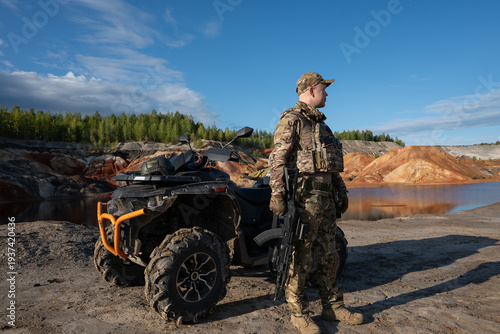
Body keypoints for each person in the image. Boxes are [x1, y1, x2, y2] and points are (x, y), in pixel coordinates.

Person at [268, 72, 363, 333]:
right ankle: (298, 313)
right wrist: (277, 195)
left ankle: (333, 306)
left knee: (329, 255)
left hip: (326, 200)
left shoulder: (323, 126)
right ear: (311, 90)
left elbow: (331, 167)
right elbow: (277, 160)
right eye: (324, 88)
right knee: (300, 258)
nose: (327, 93)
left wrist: (341, 191)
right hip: (304, 200)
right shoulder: (292, 120)